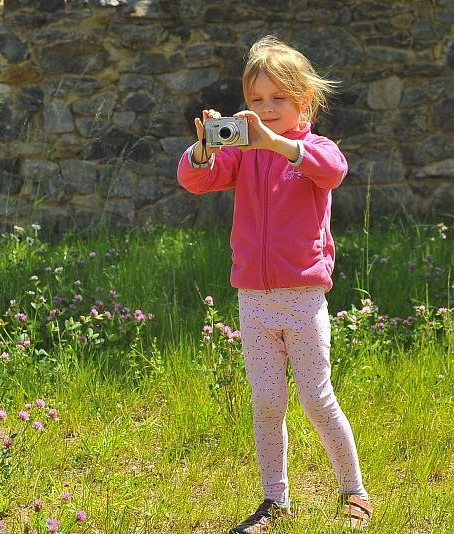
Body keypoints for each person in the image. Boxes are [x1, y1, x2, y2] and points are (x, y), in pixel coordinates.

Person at [177, 35, 373, 533]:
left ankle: (353, 489)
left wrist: (278, 144)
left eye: (277, 99)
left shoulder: (312, 150)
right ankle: (275, 501)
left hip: (302, 299)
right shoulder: (242, 155)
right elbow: (195, 180)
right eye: (256, 101)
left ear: (304, 100)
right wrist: (203, 149)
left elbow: (332, 172)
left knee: (316, 397)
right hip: (254, 301)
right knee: (267, 402)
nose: (265, 109)